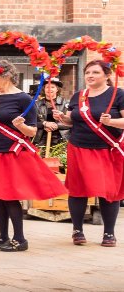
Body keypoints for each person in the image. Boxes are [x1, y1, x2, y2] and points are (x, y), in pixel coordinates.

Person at [0, 61, 67, 252]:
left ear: (7, 76)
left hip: (13, 152)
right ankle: (3, 237)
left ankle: (19, 239)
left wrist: (21, 126)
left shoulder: (23, 99)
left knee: (10, 195)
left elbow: (31, 132)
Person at [53, 60, 124, 247]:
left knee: (109, 191)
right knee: (77, 189)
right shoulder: (79, 95)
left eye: (95, 72)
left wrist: (112, 122)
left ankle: (109, 233)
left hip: (106, 148)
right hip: (78, 147)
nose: (90, 76)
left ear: (107, 75)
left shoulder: (118, 94)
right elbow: (71, 121)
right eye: (87, 72)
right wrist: (63, 117)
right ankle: (77, 231)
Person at [34, 77, 70, 148]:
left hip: (61, 139)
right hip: (41, 139)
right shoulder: (36, 104)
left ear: (57, 89)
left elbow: (71, 122)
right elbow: (32, 122)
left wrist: (56, 126)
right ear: (44, 89)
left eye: (52, 87)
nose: (49, 89)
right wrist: (45, 124)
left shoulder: (66, 103)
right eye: (47, 87)